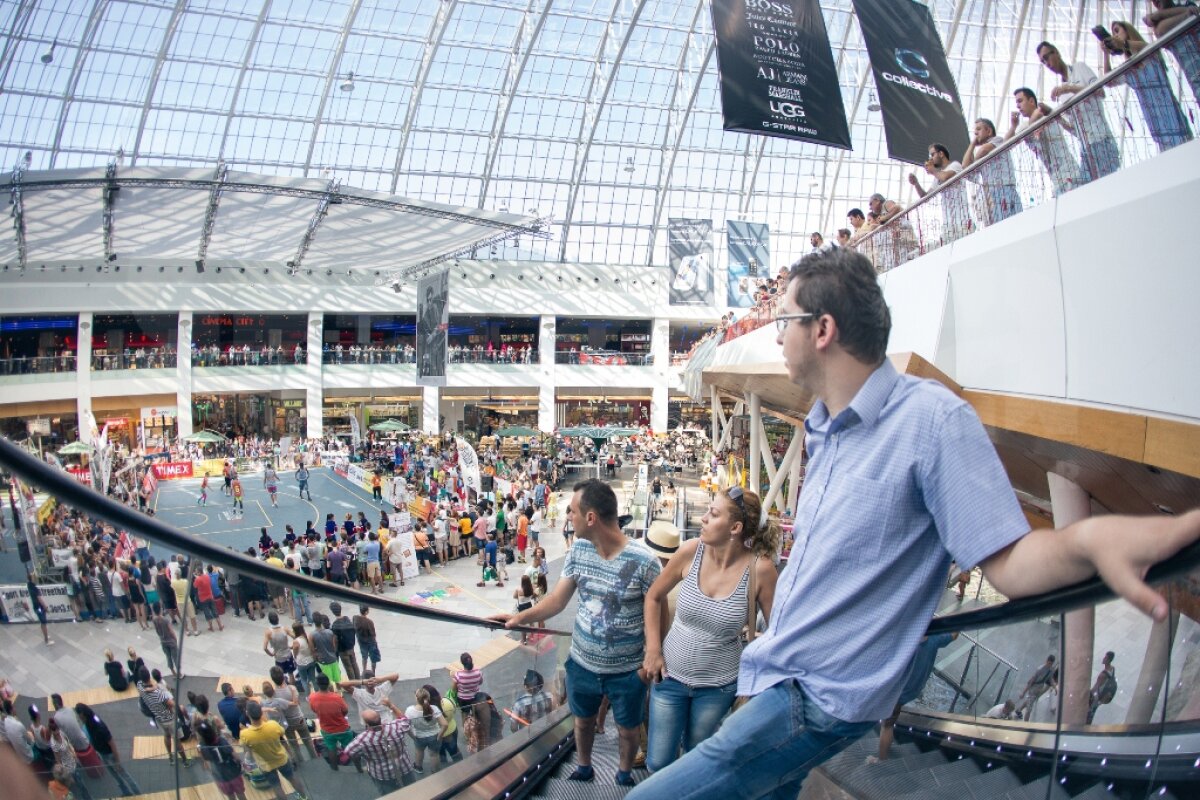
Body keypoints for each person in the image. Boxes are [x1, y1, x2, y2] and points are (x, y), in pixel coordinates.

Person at [625, 247, 1200, 800]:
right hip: (780, 672)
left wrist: (1089, 540)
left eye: (784, 322)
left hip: (817, 694)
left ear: (822, 330)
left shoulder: (933, 421)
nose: (775, 335)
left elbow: (1007, 560)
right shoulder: (825, 425)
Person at [494, 479, 661, 787]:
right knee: (582, 722)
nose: (567, 516)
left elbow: (658, 613)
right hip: (582, 663)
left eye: (571, 511)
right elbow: (557, 601)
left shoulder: (645, 561)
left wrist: (649, 658)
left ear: (591, 518)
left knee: (628, 728)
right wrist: (521, 617)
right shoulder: (579, 552)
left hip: (627, 671)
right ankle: (584, 766)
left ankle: (624, 774)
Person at [641, 486, 778, 773]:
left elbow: (779, 630)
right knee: (658, 761)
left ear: (735, 528)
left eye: (713, 514)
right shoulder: (690, 552)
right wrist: (653, 650)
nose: (702, 518)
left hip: (718, 687)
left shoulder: (760, 570)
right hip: (670, 678)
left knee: (697, 760)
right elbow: (654, 597)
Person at [867, 631, 958, 763]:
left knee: (887, 725)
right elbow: (953, 635)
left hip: (896, 693)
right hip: (914, 689)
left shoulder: (905, 642)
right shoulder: (934, 639)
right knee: (889, 722)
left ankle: (881, 759)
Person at [1037, 40, 1121, 182]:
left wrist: (1070, 88)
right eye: (1043, 62)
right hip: (1086, 147)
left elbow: (1100, 91)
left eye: (1047, 57)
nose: (1047, 63)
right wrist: (1053, 115)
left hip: (1101, 140)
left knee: (1108, 185)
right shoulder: (1062, 94)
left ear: (1056, 52)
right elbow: (1074, 129)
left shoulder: (1079, 68)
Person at [1102, 21, 1193, 151]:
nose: (1115, 35)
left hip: (1171, 113)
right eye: (1113, 33)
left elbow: (1145, 47)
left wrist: (1123, 44)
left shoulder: (1148, 50)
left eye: (1117, 30)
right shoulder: (1129, 68)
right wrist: (1106, 54)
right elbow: (1108, 82)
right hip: (1154, 121)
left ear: (1128, 30)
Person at [239, 701, 309, 800]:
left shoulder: (245, 734)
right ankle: (304, 797)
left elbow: (245, 748)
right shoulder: (273, 725)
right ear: (261, 712)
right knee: (292, 778)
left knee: (276, 786)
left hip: (265, 765)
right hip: (281, 759)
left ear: (247, 713)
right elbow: (281, 732)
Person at [960, 118, 1022, 227]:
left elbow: (983, 150)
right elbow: (965, 167)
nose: (975, 133)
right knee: (1001, 225)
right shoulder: (981, 157)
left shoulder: (997, 140)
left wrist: (973, 162)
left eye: (979, 129)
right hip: (993, 193)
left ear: (989, 131)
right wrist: (972, 144)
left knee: (1010, 223)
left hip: (1004, 188)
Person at [907, 142, 969, 243]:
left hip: (962, 219)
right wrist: (916, 184)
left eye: (932, 154)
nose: (931, 158)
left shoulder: (955, 165)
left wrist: (932, 170)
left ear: (941, 154)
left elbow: (945, 177)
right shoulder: (938, 176)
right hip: (948, 222)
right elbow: (925, 197)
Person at [74, 703, 140, 796]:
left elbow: (112, 743)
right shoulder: (90, 723)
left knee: (123, 773)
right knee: (114, 774)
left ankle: (137, 793)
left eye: (80, 717)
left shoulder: (98, 726)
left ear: (84, 715)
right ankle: (125, 790)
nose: (80, 720)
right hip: (103, 753)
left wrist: (117, 762)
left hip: (110, 755)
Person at [343, 709, 416, 792]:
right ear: (380, 718)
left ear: (366, 724)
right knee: (412, 790)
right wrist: (391, 705)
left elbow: (346, 754)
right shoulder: (395, 726)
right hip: (403, 765)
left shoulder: (362, 739)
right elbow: (405, 720)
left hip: (382, 773)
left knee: (389, 795)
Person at [136, 667, 190, 766]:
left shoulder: (139, 686)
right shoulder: (158, 694)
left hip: (159, 718)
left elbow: (147, 688)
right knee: (177, 741)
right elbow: (171, 704)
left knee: (166, 736)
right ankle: (185, 761)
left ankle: (170, 758)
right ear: (149, 676)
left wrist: (152, 688)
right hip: (170, 719)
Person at [308, 673, 355, 769]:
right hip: (342, 728)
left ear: (317, 684)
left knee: (331, 748)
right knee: (350, 747)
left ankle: (334, 768)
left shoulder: (312, 697)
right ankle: (357, 767)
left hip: (327, 729)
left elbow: (314, 709)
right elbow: (345, 710)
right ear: (328, 683)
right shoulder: (337, 697)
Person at [196, 720, 247, 800]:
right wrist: (241, 762)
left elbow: (207, 765)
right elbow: (234, 755)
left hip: (220, 776)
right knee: (241, 794)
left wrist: (214, 776)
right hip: (233, 772)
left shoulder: (201, 747)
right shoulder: (221, 740)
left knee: (230, 796)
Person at [405, 687, 449, 773]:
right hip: (434, 735)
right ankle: (435, 771)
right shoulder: (434, 708)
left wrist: (412, 736)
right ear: (428, 698)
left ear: (416, 698)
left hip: (419, 736)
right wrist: (440, 735)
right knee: (434, 754)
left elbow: (406, 726)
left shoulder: (410, 710)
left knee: (419, 751)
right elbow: (445, 724)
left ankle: (418, 767)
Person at [1015, 655, 1059, 720]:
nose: (1049, 665)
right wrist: (1023, 693)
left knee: (1030, 701)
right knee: (1029, 709)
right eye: (1049, 663)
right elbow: (1031, 681)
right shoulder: (1040, 669)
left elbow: (1050, 679)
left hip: (1040, 688)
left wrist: (1054, 687)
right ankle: (1025, 724)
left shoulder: (1051, 669)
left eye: (1051, 664)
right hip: (1033, 689)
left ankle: (1019, 709)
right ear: (1046, 661)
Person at [1087, 650, 1118, 723]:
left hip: (1098, 696)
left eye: (1105, 658)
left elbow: (1095, 688)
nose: (1103, 658)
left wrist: (1088, 693)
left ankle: (1087, 723)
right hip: (1104, 695)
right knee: (1093, 711)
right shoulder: (1112, 668)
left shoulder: (1102, 675)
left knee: (1091, 711)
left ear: (1109, 660)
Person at [26, 573, 53, 645]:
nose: (35, 578)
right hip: (39, 607)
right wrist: (45, 607)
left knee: (42, 622)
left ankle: (46, 636)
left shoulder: (29, 585)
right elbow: (39, 598)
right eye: (34, 577)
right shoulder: (34, 588)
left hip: (36, 607)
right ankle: (46, 640)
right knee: (44, 622)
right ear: (31, 578)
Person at [353, 604, 381, 673]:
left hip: (361, 642)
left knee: (364, 657)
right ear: (366, 612)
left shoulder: (355, 618)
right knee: (373, 658)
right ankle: (373, 672)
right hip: (370, 642)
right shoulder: (369, 622)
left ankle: (364, 671)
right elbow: (373, 634)